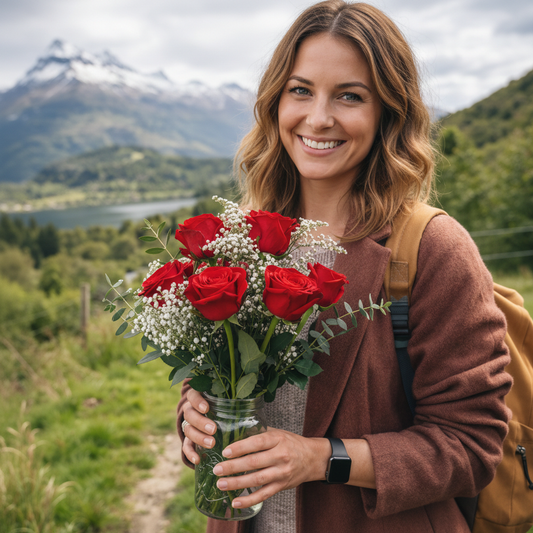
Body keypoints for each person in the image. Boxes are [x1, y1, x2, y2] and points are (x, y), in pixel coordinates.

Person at [177, 1, 513, 532]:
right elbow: (217, 376)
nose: (318, 118)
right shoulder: (242, 241)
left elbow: (471, 444)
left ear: (388, 112)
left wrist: (320, 458)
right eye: (301, 90)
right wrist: (196, 417)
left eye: (349, 96)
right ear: (275, 102)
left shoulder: (432, 248)